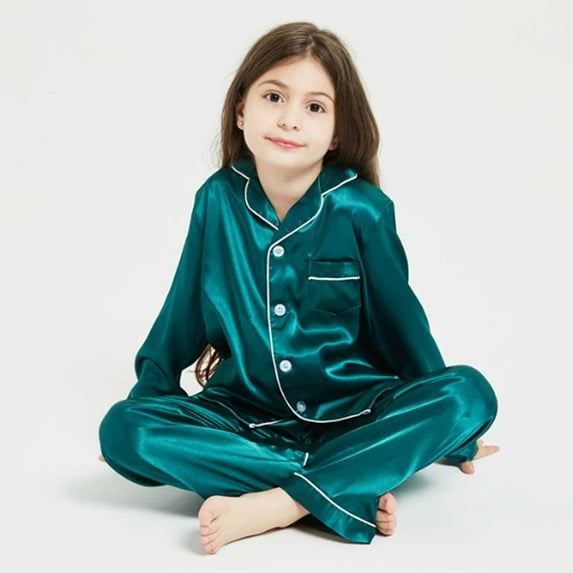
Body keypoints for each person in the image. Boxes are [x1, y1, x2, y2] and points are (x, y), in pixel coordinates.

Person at [98, 21, 499, 554]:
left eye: (314, 106)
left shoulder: (363, 210)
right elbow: (182, 313)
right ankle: (341, 485)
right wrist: (147, 408)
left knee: (469, 393)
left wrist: (455, 436)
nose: (289, 119)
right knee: (124, 429)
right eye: (273, 97)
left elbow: (402, 325)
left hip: (354, 412)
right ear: (241, 110)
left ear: (336, 133)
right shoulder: (216, 200)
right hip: (243, 415)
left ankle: (279, 504)